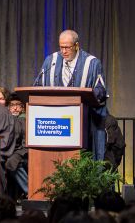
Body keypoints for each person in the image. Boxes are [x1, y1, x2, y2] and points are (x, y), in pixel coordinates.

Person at [34, 29, 109, 159]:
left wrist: (84, 97)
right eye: (61, 47)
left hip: (83, 123)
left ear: (76, 45)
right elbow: (38, 85)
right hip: (55, 123)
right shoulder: (50, 61)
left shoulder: (91, 63)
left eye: (67, 47)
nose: (63, 51)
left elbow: (100, 90)